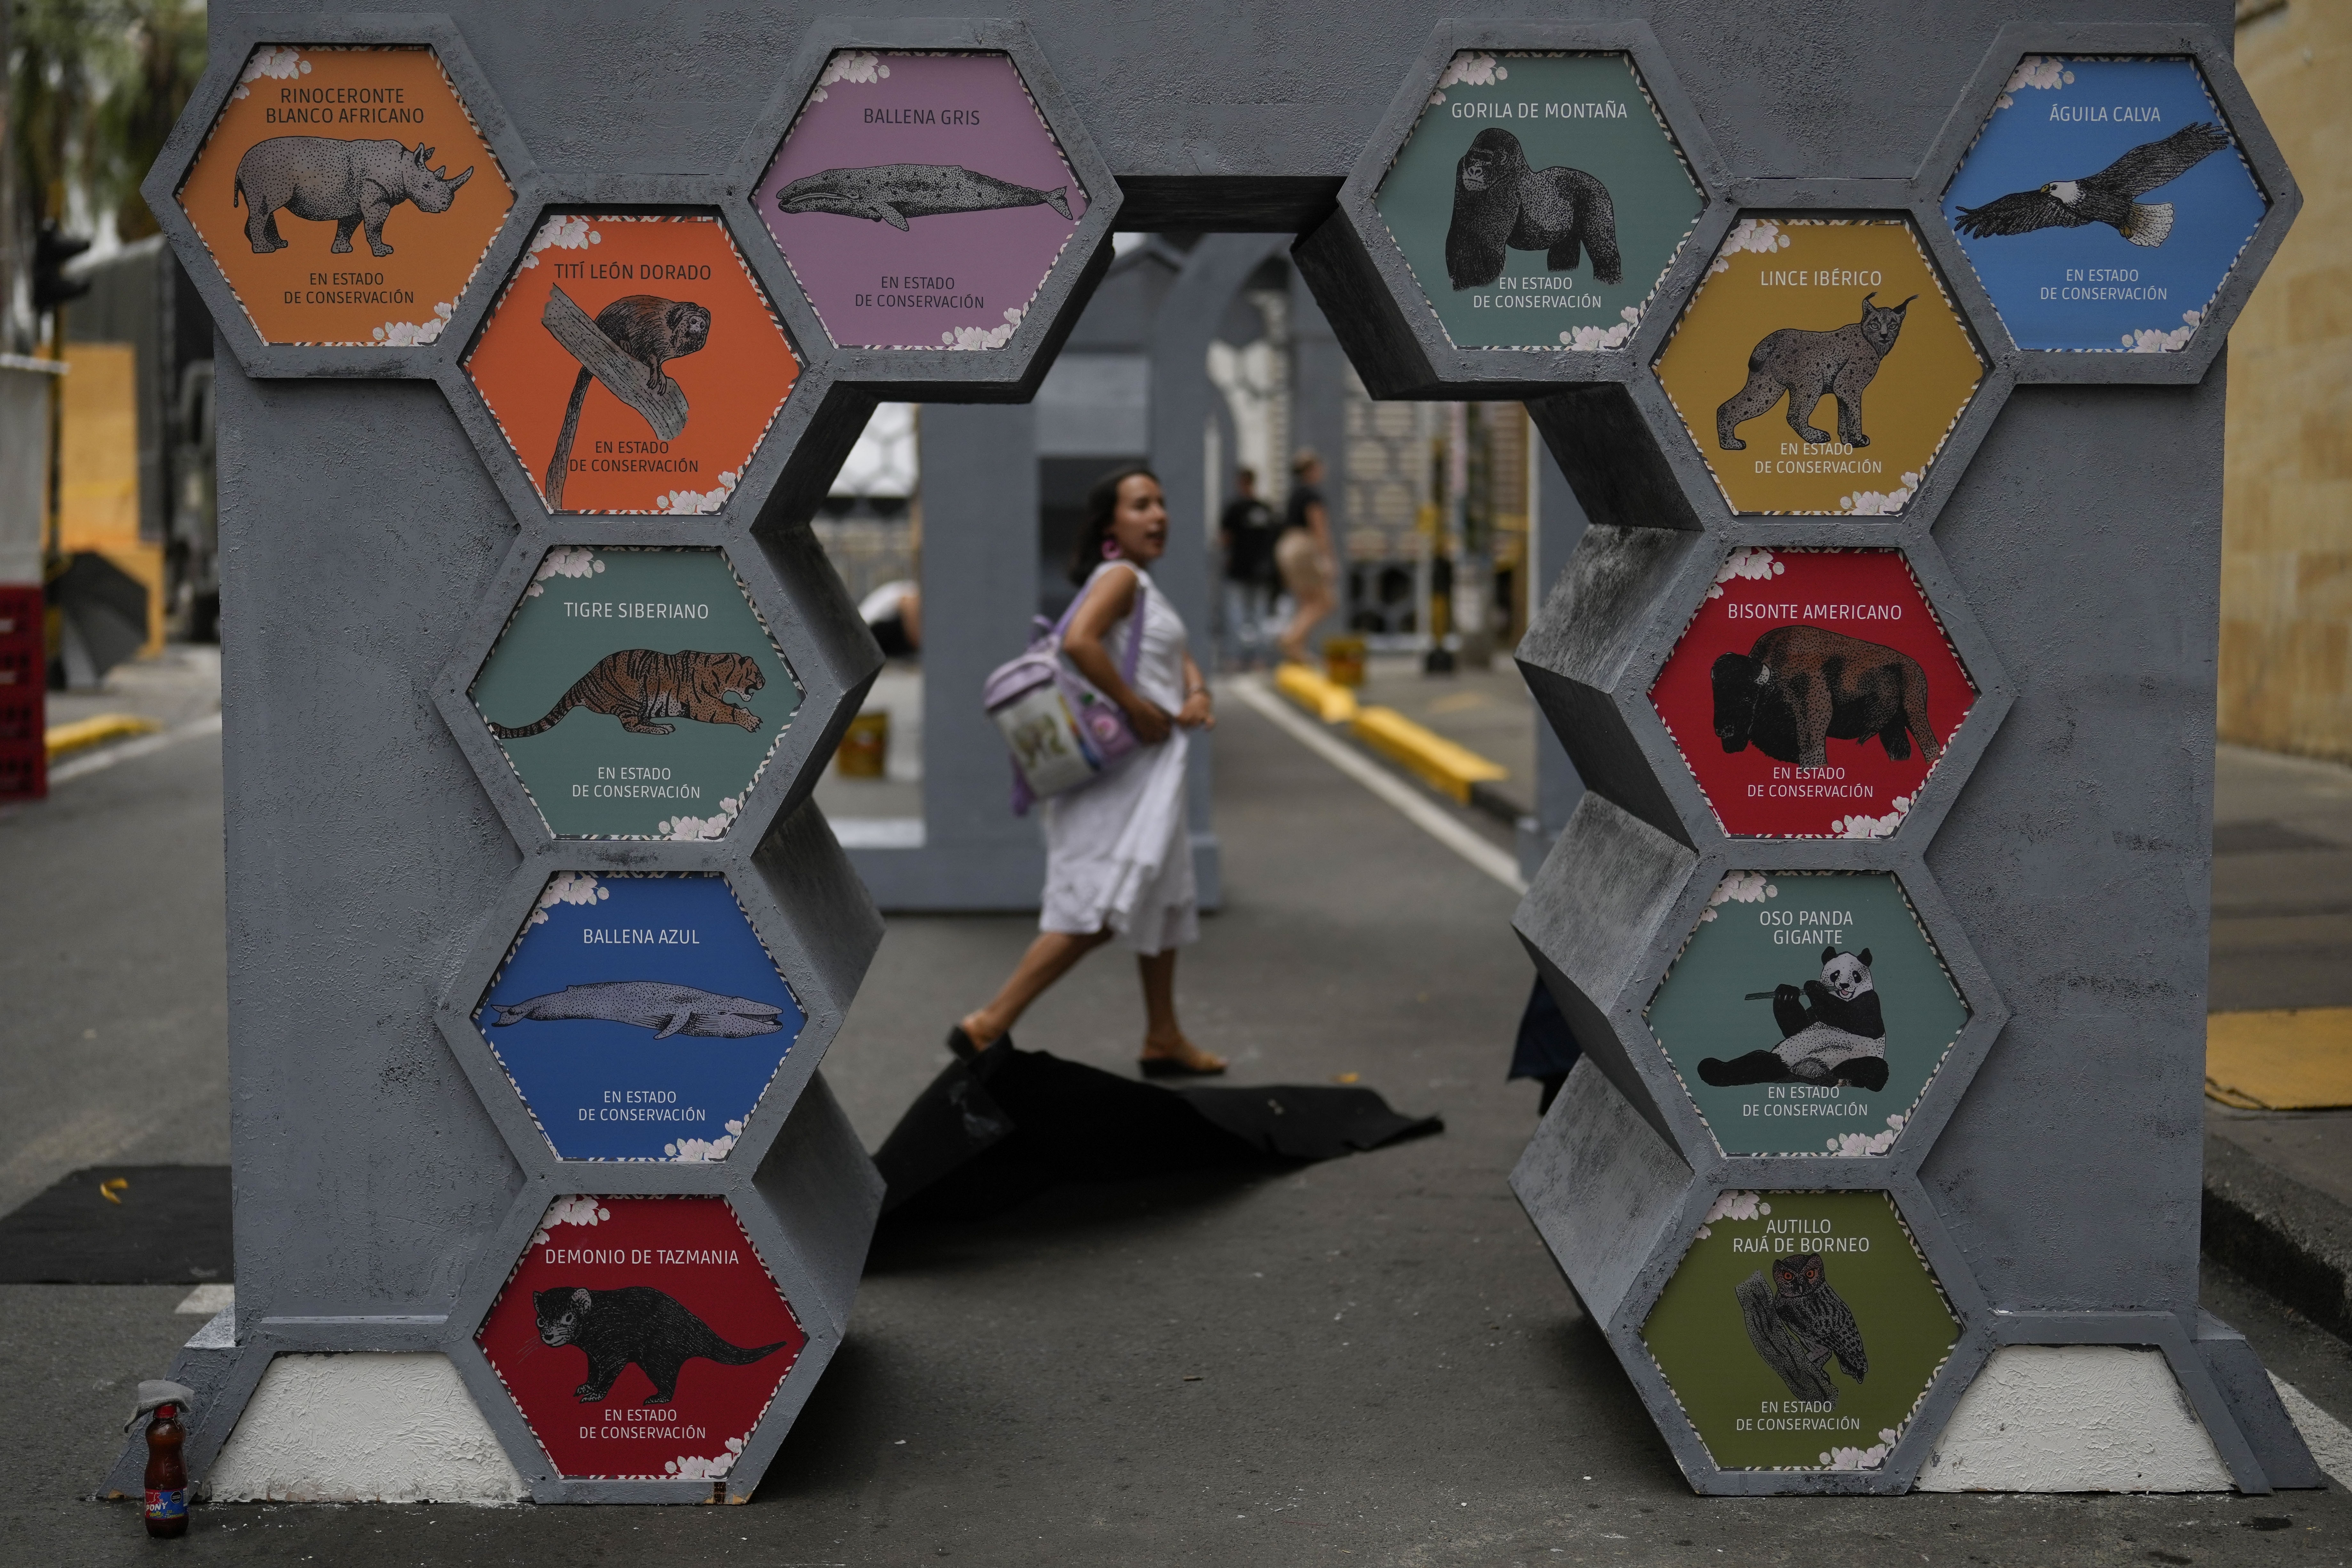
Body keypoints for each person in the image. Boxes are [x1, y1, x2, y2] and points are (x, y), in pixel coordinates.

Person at [953, 465, 1228, 1077]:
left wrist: (1198, 691)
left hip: (1150, 771)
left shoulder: (1142, 586)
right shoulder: (1122, 576)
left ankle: (1163, 1036)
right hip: (1121, 774)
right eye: (1140, 506)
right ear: (1110, 526)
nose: (1158, 515)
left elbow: (1177, 653)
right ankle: (989, 1022)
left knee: (1162, 898)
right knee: (1096, 909)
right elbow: (1080, 640)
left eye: (1160, 502)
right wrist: (1135, 706)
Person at [1275, 448, 1336, 665]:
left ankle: (1298, 650)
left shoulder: (1294, 494)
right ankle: (1292, 638)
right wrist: (1328, 559)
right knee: (1325, 601)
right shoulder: (1312, 495)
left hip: (1286, 546)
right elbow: (1320, 529)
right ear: (1312, 470)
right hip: (1302, 547)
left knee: (1306, 601)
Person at [1217, 466, 1279, 667]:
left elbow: (1225, 539)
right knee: (1259, 615)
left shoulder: (1235, 509)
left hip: (1239, 568)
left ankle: (1236, 658)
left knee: (1238, 615)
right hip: (1261, 569)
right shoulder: (1265, 509)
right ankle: (1258, 659)